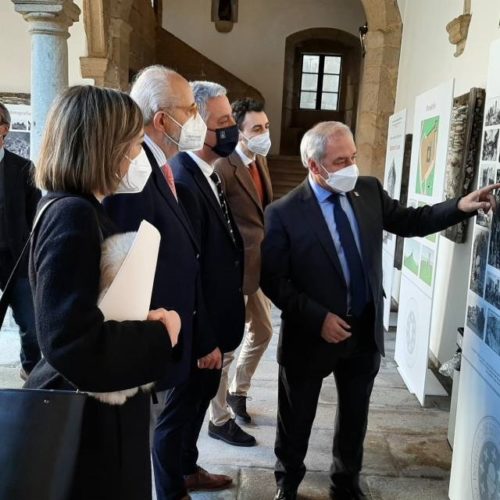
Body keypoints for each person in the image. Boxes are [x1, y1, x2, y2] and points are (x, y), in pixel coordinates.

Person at [261, 121, 499, 500]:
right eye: (341, 161)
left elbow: (411, 221)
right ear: (314, 166)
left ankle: (345, 483)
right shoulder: (283, 213)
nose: (351, 166)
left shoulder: (367, 190)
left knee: (355, 418)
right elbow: (273, 281)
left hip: (363, 330)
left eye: (353, 156)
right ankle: (287, 484)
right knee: (296, 420)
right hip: (311, 337)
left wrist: (460, 206)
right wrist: (317, 317)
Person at [24, 85, 180, 500]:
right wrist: (160, 332)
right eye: (131, 143)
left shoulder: (75, 207)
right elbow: (71, 342)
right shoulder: (72, 214)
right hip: (87, 417)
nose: (136, 154)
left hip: (97, 408)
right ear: (103, 146)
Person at [104, 66, 230, 500]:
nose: (197, 119)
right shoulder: (132, 175)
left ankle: (177, 481)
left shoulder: (157, 169)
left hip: (175, 332)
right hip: (152, 340)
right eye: (191, 109)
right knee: (150, 437)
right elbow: (129, 266)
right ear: (162, 120)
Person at [169, 80, 248, 467]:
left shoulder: (209, 172)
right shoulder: (183, 179)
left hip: (216, 321)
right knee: (179, 414)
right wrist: (202, 341)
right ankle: (172, 486)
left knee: (198, 404)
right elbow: (189, 269)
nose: (233, 127)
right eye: (224, 120)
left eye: (231, 117)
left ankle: (188, 467)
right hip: (201, 330)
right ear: (199, 126)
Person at [210, 98, 273, 444]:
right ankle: (218, 419)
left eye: (266, 127)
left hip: (258, 267)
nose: (265, 134)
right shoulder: (223, 167)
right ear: (239, 132)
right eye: (257, 129)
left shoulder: (259, 160)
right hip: (234, 272)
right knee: (227, 348)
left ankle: (239, 390)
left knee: (263, 332)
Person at [0, 101, 41, 380]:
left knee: (30, 323)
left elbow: (36, 216)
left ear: (4, 129)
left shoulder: (24, 169)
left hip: (17, 261)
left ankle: (31, 371)